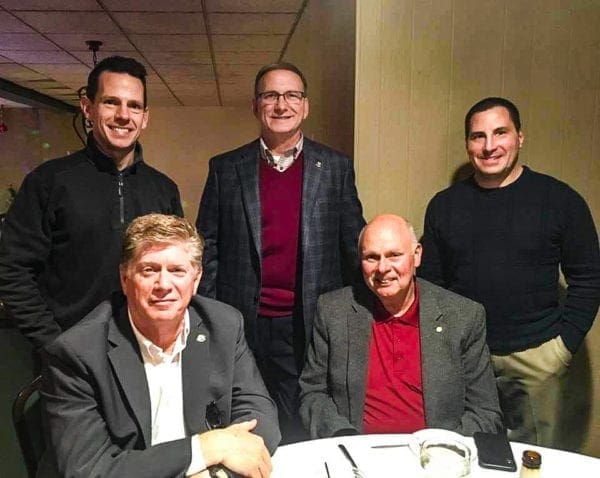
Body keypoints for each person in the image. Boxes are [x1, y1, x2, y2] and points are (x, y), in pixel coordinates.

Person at [196, 62, 365, 442]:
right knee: (245, 413)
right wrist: (209, 316)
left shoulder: (334, 167)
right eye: (270, 95)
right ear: (256, 106)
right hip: (242, 319)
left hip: (308, 320)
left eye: (292, 95)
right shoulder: (226, 168)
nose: (281, 104)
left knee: (300, 414)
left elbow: (352, 244)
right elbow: (208, 249)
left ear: (305, 106)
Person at [40, 214, 280, 478]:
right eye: (149, 270)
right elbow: (88, 469)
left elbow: (258, 413)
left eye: (177, 271)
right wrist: (203, 449)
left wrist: (217, 472)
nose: (164, 285)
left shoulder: (223, 324)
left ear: (196, 278)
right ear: (124, 278)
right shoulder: (77, 352)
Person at [419, 97, 600, 446]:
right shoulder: (444, 205)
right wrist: (443, 348)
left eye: (500, 133)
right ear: (467, 143)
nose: (489, 146)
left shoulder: (560, 200)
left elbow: (589, 277)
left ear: (520, 137)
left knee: (534, 459)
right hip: (465, 358)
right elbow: (431, 284)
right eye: (478, 136)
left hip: (537, 357)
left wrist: (562, 348)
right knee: (462, 452)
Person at [0, 56, 182, 352]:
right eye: (111, 102)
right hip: (69, 355)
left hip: (144, 353)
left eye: (134, 105)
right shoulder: (48, 182)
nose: (124, 115)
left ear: (145, 117)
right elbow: (13, 270)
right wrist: (53, 344)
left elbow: (174, 272)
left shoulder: (164, 190)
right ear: (88, 107)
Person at [299, 214, 501, 438]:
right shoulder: (334, 311)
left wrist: (442, 450)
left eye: (394, 255)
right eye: (372, 258)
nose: (383, 268)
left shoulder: (463, 317)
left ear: (417, 256)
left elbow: (485, 412)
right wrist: (344, 437)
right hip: (357, 451)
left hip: (433, 458)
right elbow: (312, 394)